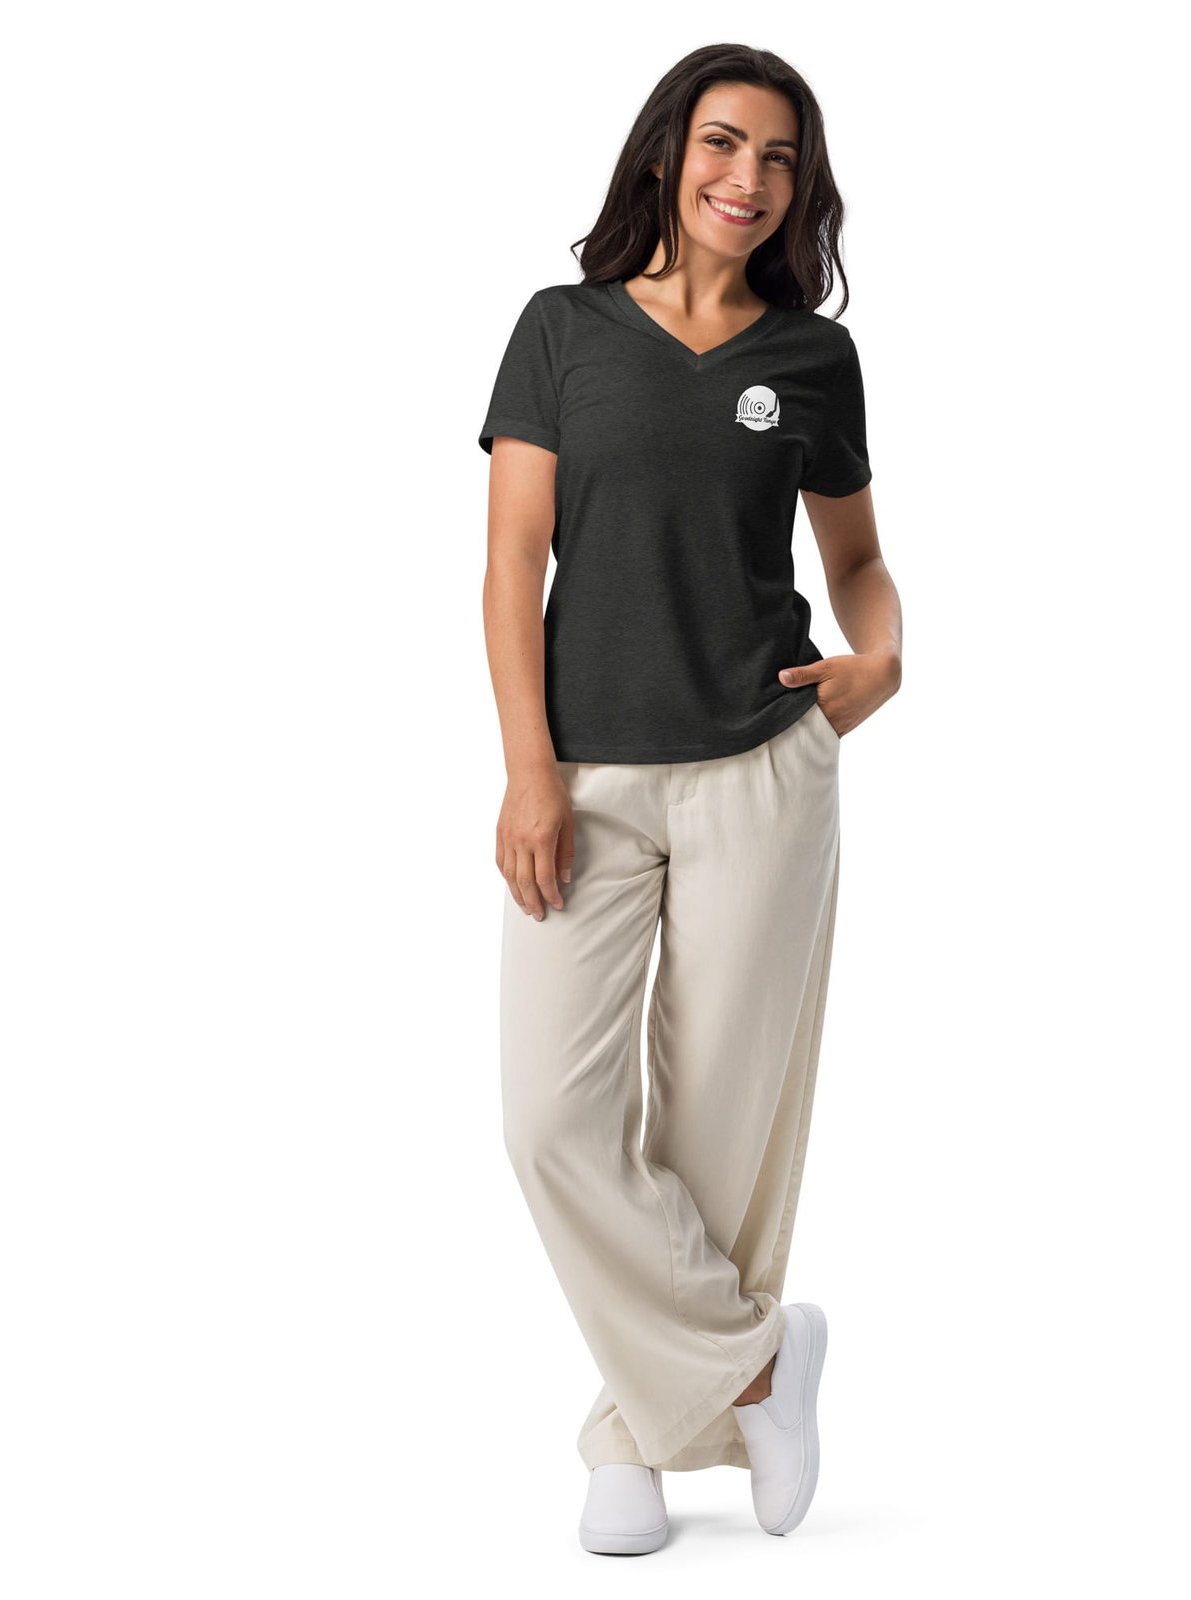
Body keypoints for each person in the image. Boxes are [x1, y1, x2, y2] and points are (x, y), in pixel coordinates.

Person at [478, 43, 903, 1554]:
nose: (749, 178)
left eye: (780, 158)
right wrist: (530, 770)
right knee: (553, 1120)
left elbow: (856, 560)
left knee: (716, 1131)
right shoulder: (563, 330)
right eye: (725, 143)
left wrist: (884, 654)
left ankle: (630, 1447)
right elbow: (511, 562)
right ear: (668, 153)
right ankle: (759, 1364)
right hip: (585, 778)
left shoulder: (811, 359)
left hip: (762, 770)